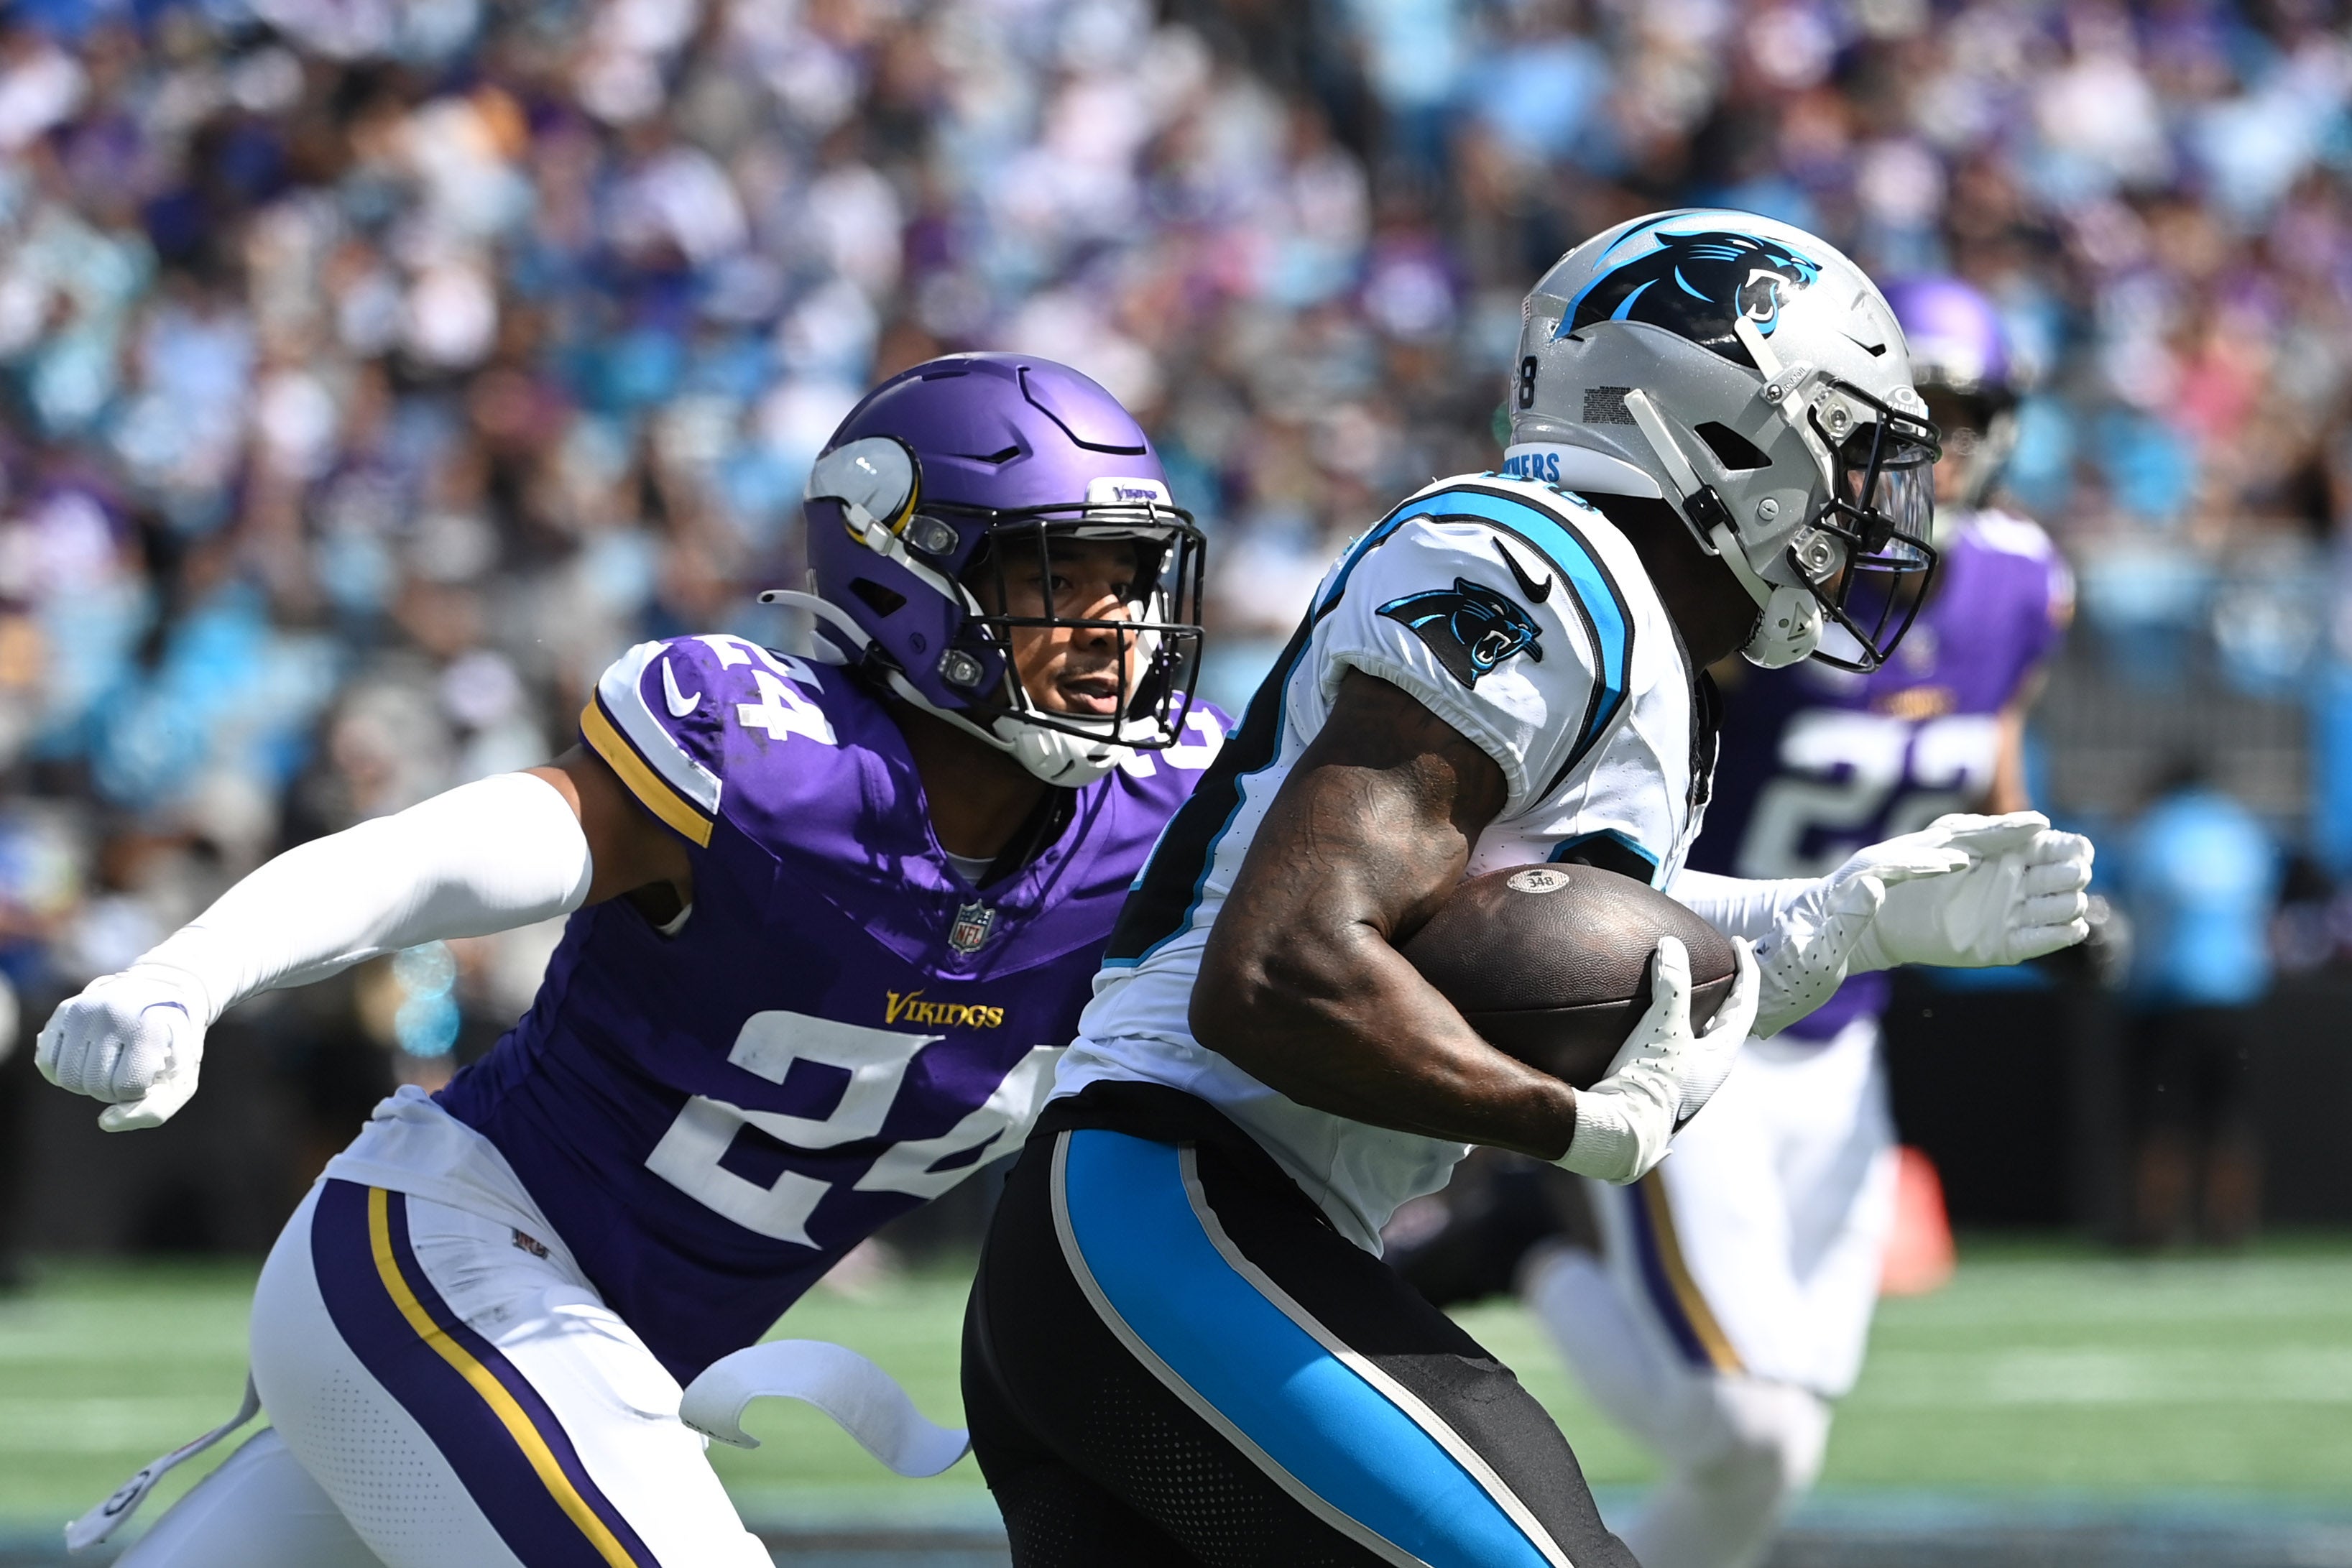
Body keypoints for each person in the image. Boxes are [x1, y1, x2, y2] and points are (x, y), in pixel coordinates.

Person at [959, 213, 2095, 1566]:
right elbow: (1275, 970)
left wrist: (1835, 923)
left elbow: (1558, 929)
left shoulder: (1636, 630)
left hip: (1188, 1237)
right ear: (1717, 428)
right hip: (1172, 1210)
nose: (1869, 498)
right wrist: (1559, 1120)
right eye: (1843, 446)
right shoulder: (1532, 570)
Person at [36, 353, 1227, 1568]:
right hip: (447, 1263)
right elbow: (439, 860)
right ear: (906, 573)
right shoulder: (772, 760)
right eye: (1054, 575)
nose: (1111, 628)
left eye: (1126, 580)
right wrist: (190, 966)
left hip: (588, 1358)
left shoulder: (1172, 810)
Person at [1388, 276, 2080, 1568]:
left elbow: (1986, 752)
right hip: (1696, 998)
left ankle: (1536, 1250)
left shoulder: (2028, 583)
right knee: (1744, 1432)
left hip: (1846, 1023)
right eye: (1913, 412)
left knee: (1783, 1436)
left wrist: (2042, 881)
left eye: (1966, 412)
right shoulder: (1754, 577)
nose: (1942, 444)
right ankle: (1539, 1244)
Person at [2119, 755, 2279, 1249]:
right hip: (2236, 992)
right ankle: (2230, 1227)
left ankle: (2155, 1228)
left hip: (2169, 993)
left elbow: (2132, 898)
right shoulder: (2244, 829)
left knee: (2161, 1115)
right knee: (2231, 1115)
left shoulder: (2154, 828)